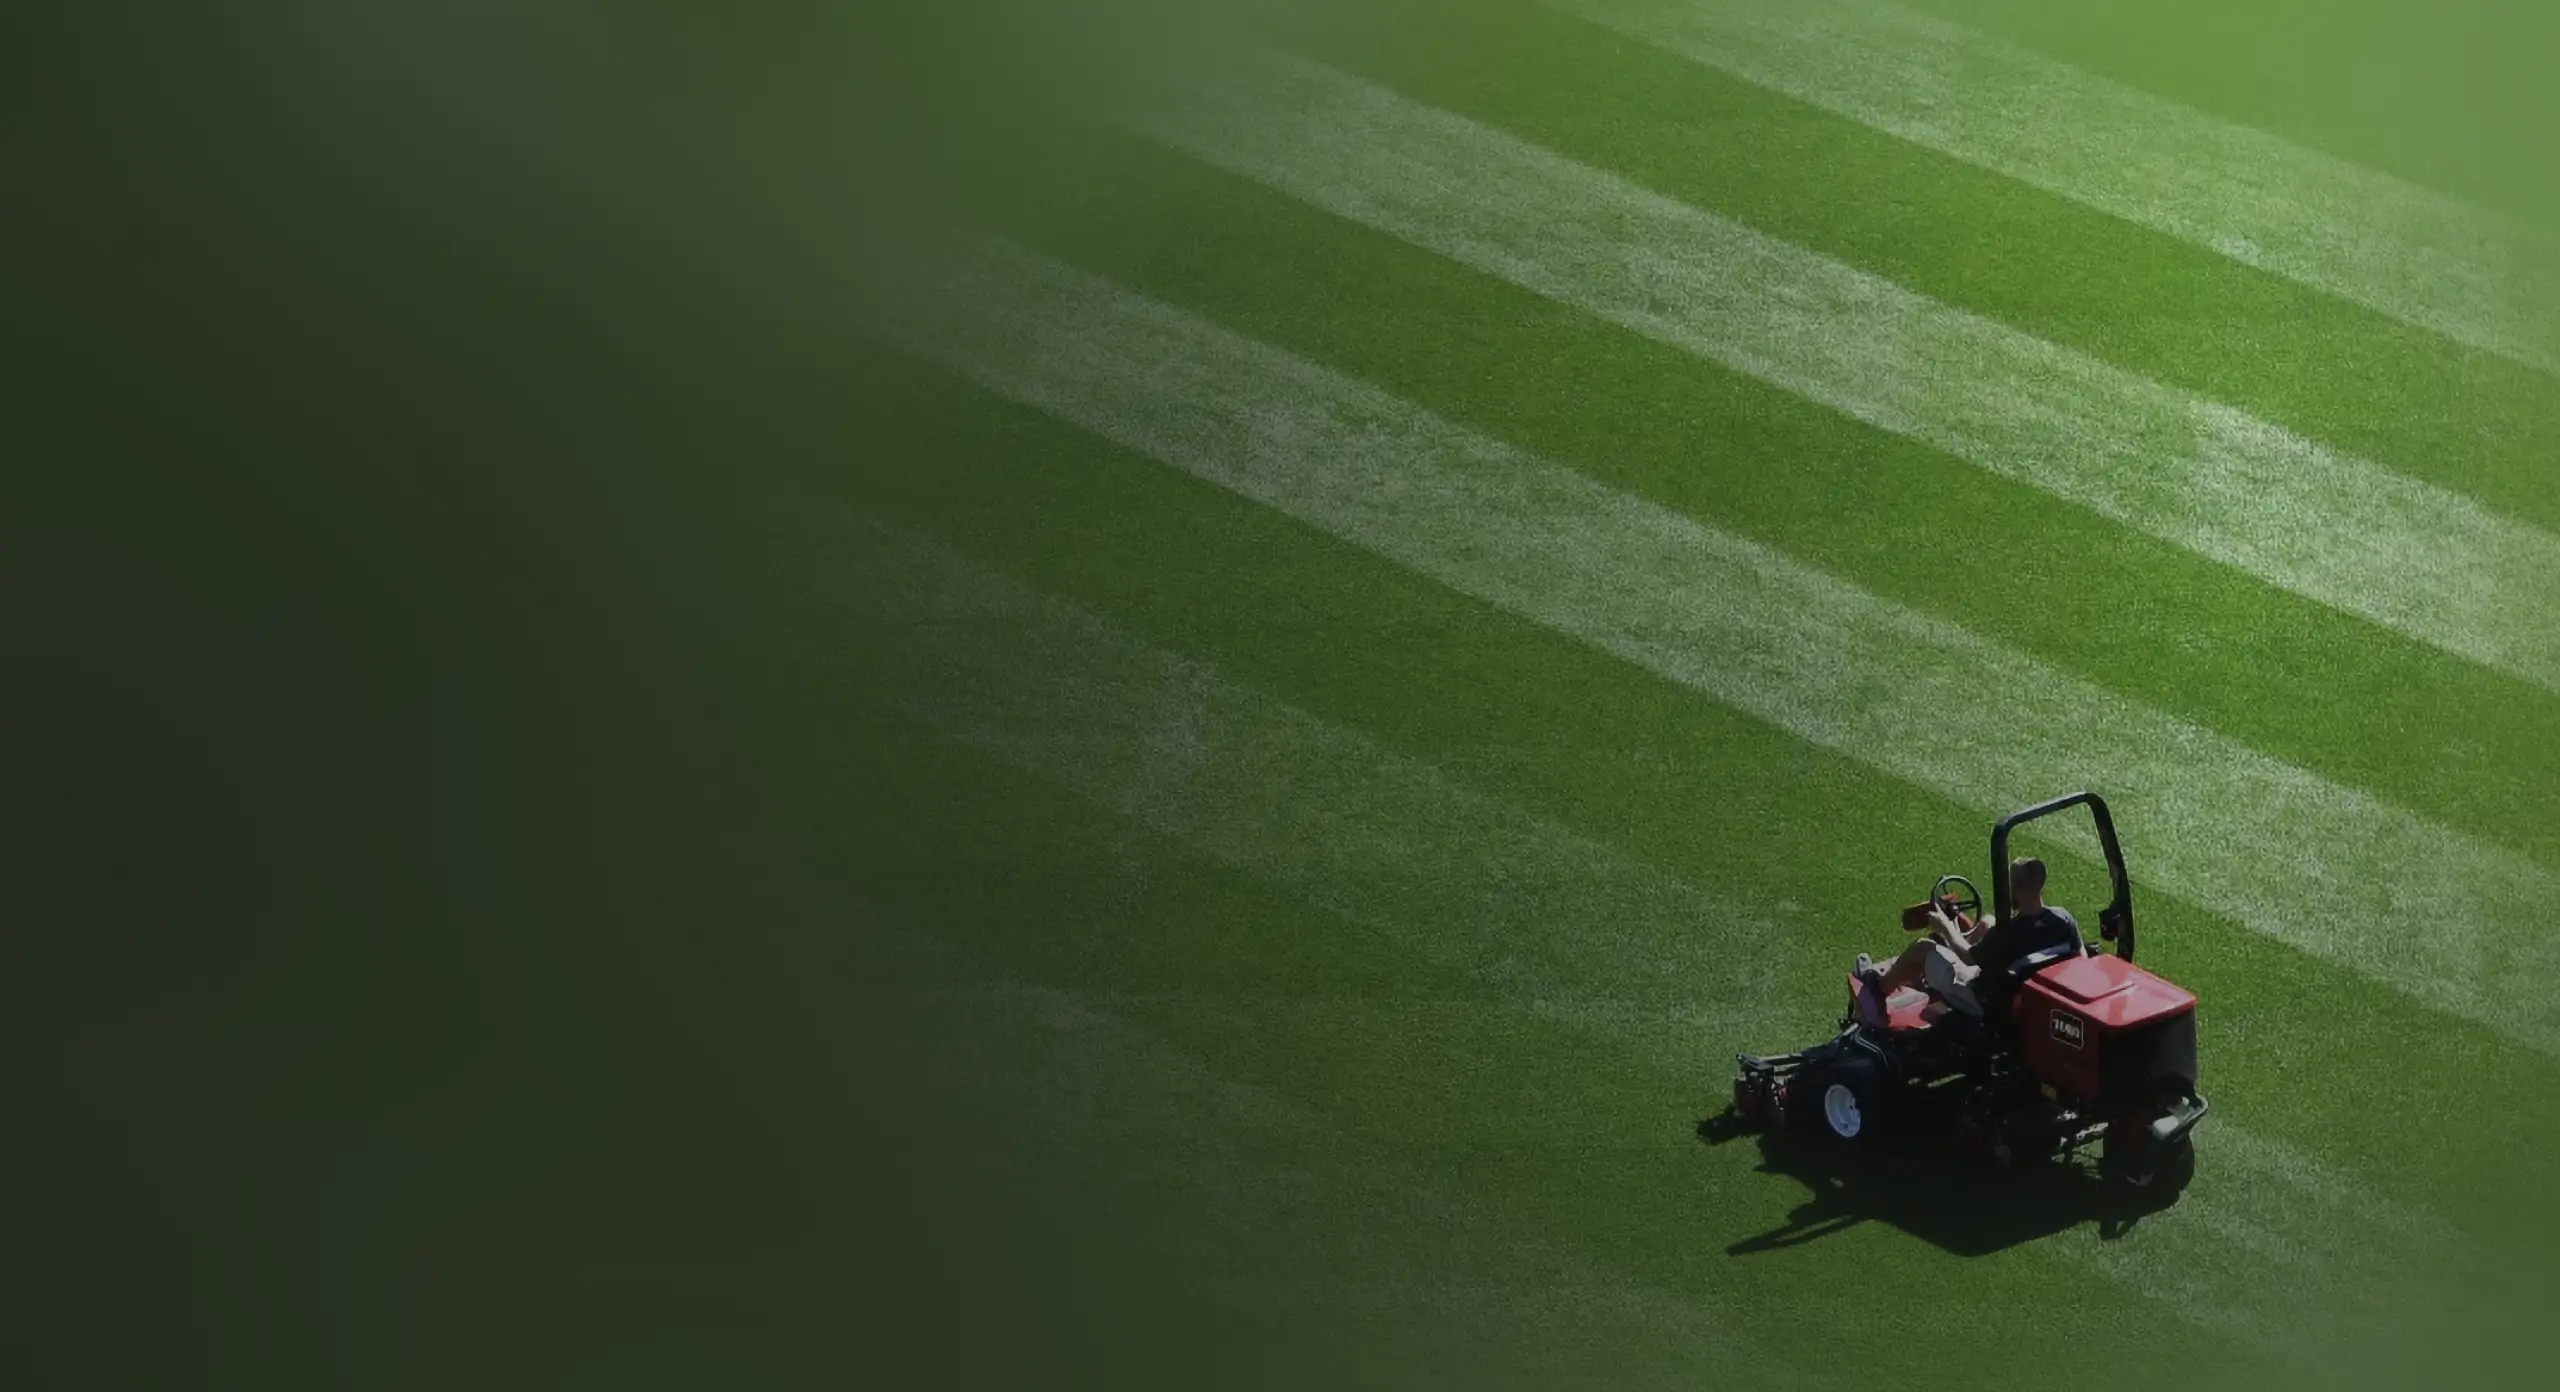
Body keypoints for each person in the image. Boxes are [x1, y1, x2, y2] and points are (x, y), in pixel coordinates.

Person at [1853, 857, 2081, 1026]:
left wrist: (1945, 927)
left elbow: (1968, 958)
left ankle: (1877, 988)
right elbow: (2082, 957)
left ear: (2020, 888)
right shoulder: (2063, 918)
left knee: (1923, 948)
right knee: (1987, 921)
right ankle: (1937, 961)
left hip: (1984, 998)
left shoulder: (2008, 932)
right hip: (2020, 994)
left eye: (2010, 883)